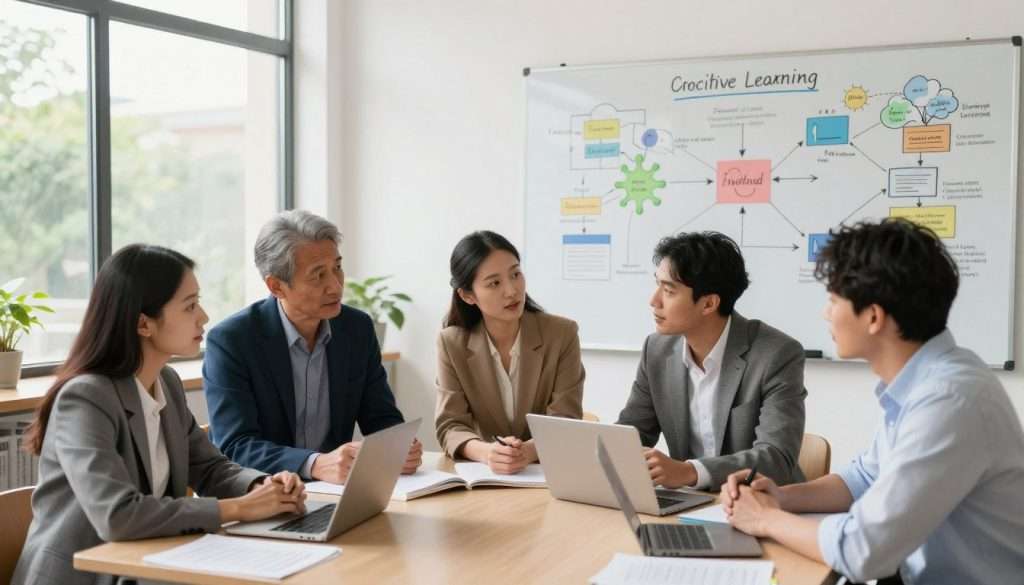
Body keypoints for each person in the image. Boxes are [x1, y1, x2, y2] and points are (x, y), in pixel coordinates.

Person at [722, 218, 1024, 584]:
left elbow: (862, 552)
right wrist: (781, 498)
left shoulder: (949, 401)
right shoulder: (927, 380)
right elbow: (865, 477)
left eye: (833, 300)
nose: (825, 313)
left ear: (874, 317)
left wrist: (766, 518)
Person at [13, 245, 306, 585]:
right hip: (84, 577)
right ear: (143, 324)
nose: (204, 317)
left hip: (144, 566)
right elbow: (117, 515)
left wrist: (263, 486)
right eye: (190, 306)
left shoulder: (165, 381)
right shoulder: (85, 398)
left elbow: (210, 468)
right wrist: (241, 508)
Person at [203, 210, 421, 484]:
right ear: (276, 286)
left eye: (337, 268)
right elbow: (236, 445)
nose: (335, 286)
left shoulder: (357, 329)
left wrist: (399, 446)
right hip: (265, 495)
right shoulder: (232, 341)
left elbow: (381, 417)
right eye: (318, 275)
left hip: (336, 493)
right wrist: (314, 464)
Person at [616, 231, 806, 490]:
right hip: (688, 503)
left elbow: (776, 458)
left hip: (758, 502)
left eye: (669, 291)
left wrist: (689, 472)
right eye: (657, 285)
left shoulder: (776, 354)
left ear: (708, 304)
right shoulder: (657, 349)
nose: (654, 301)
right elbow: (632, 432)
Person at [435, 231, 584, 473]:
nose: (512, 290)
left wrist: (527, 451)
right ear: (468, 295)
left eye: (515, 274)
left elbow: (565, 418)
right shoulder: (451, 343)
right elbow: (450, 425)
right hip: (485, 476)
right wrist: (487, 453)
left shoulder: (562, 334)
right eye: (494, 283)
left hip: (547, 473)